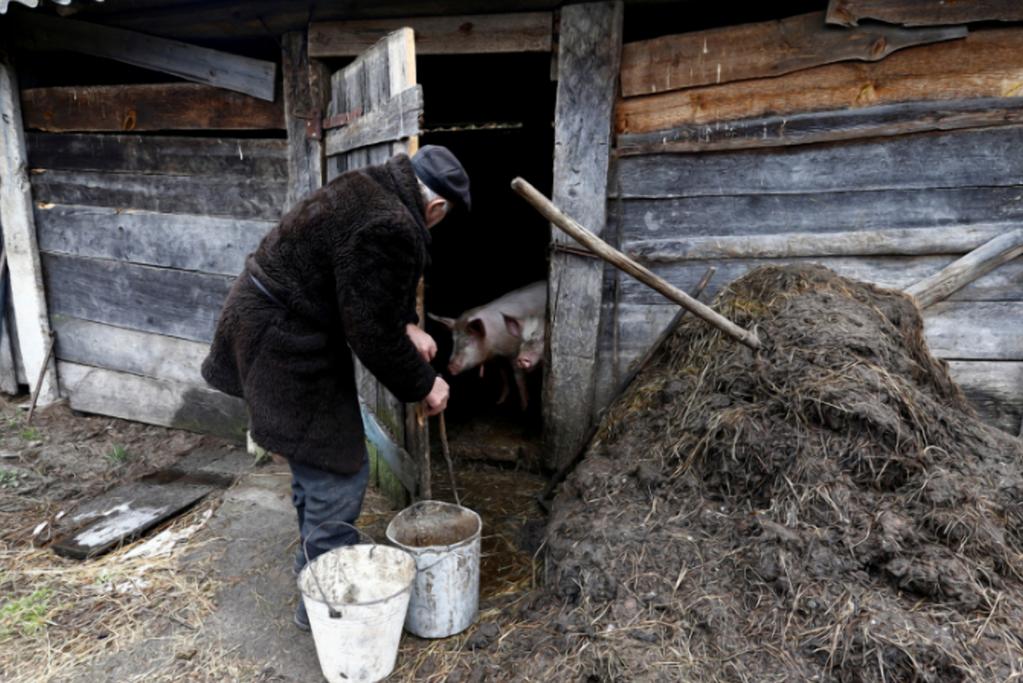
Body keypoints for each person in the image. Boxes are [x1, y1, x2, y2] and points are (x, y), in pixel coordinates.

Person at [200, 145, 471, 630]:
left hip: (270, 324)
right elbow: (370, 331)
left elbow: (359, 282)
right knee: (337, 470)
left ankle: (312, 563)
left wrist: (408, 324)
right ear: (434, 209)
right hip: (285, 342)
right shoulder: (393, 224)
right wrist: (425, 383)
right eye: (440, 221)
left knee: (312, 459)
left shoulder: (367, 187)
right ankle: (327, 609)